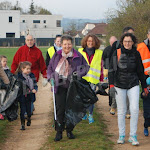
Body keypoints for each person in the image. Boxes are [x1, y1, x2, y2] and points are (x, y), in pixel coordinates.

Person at [47, 35, 89, 142]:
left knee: (71, 109)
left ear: (72, 44)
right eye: (65, 44)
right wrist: (50, 78)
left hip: (73, 86)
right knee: (60, 109)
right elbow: (50, 69)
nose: (67, 46)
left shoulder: (77, 55)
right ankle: (59, 131)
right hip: (59, 86)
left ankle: (69, 130)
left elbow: (86, 67)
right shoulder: (56, 55)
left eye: (69, 44)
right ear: (61, 44)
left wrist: (77, 74)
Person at [109, 33, 148, 146]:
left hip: (133, 84)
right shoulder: (116, 53)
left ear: (133, 42)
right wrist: (111, 86)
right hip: (119, 84)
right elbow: (111, 70)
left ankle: (133, 135)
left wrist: (144, 86)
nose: (127, 43)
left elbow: (141, 71)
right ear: (122, 42)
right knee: (121, 110)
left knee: (135, 109)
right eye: (125, 41)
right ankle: (122, 135)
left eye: (129, 41)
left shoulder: (136, 54)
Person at [109, 27, 134, 118]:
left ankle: (128, 111)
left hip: (130, 75)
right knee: (117, 93)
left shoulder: (134, 47)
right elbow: (111, 56)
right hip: (118, 73)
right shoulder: (116, 45)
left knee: (128, 94)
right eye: (130, 33)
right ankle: (113, 106)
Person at [78, 34, 103, 124]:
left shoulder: (99, 53)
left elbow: (101, 65)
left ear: (95, 42)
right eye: (88, 41)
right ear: (85, 41)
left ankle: (91, 115)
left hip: (93, 79)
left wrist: (101, 78)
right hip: (82, 78)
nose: (90, 42)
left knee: (91, 98)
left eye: (92, 41)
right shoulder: (80, 51)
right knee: (82, 98)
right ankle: (84, 113)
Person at [16, 61, 38, 130]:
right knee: (22, 111)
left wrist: (35, 89)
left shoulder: (32, 75)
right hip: (22, 96)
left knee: (29, 111)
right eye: (27, 69)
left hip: (30, 96)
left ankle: (29, 118)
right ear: (22, 69)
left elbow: (35, 84)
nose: (29, 70)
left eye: (29, 69)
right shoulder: (19, 77)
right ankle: (22, 124)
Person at [137, 28, 150, 136]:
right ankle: (146, 125)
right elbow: (137, 63)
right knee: (147, 103)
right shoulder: (141, 47)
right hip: (146, 80)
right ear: (148, 35)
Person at [102, 36, 117, 115]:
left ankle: (116, 105)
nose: (113, 44)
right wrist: (105, 68)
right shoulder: (107, 49)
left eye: (114, 42)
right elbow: (103, 59)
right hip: (109, 71)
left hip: (117, 71)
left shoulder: (119, 49)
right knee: (111, 88)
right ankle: (111, 104)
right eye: (112, 42)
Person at [0, 55, 12, 120]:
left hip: (6, 87)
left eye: (6, 61)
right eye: (3, 61)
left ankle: (5, 111)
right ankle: (2, 112)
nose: (5, 63)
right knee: (2, 97)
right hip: (2, 87)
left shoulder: (8, 69)